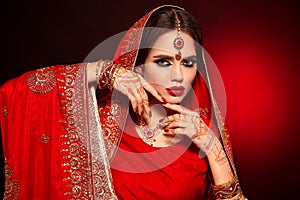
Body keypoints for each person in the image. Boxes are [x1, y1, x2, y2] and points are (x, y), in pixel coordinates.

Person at [0, 5, 247, 200]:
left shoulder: (204, 132)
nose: (178, 76)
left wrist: (214, 149)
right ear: (137, 64)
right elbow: (18, 92)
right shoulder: (99, 121)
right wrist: (105, 72)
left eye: (188, 63)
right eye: (163, 61)